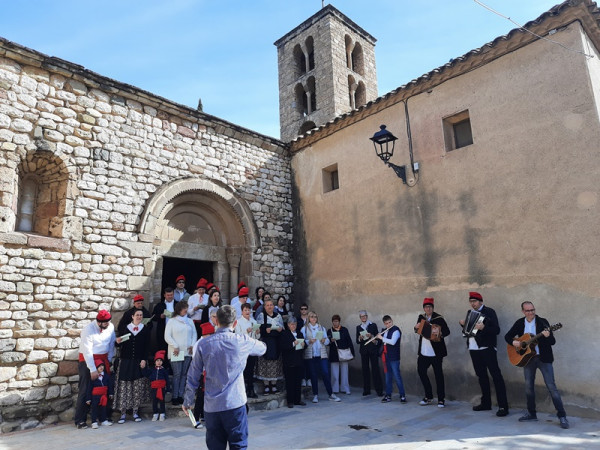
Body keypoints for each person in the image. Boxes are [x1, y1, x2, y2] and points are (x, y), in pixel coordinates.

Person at [183, 305, 267, 450]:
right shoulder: (242, 340)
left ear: (216, 322)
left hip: (212, 406)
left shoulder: (203, 344)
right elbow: (263, 348)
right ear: (235, 323)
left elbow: (193, 374)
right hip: (234, 403)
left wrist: (188, 400)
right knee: (238, 446)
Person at [504, 301, 569, 429]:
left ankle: (562, 416)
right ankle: (531, 414)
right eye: (528, 310)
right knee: (528, 387)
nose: (531, 312)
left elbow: (552, 342)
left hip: (543, 359)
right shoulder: (519, 323)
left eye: (533, 310)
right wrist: (514, 342)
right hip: (528, 359)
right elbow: (507, 336)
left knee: (551, 387)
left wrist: (547, 335)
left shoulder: (542, 322)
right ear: (523, 311)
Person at [460, 291, 509, 417]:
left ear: (480, 301)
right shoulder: (470, 313)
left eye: (474, 301)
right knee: (481, 376)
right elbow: (469, 331)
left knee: (496, 376)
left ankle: (503, 406)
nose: (472, 304)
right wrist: (463, 325)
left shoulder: (489, 312)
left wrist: (484, 328)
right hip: (473, 348)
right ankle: (486, 403)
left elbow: (497, 330)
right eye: (471, 301)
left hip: (487, 347)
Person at [74, 309, 116, 429]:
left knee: (105, 388)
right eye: (105, 323)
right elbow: (87, 351)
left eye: (109, 322)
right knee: (85, 389)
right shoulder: (88, 330)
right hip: (88, 360)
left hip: (103, 359)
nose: (108, 324)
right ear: (99, 322)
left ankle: (104, 416)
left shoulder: (110, 327)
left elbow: (111, 343)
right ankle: (80, 420)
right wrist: (92, 369)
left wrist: (108, 359)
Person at [114, 309, 151, 424]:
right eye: (137, 315)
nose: (139, 317)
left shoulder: (145, 329)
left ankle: (135, 412)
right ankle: (123, 414)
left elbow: (146, 346)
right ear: (132, 316)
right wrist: (117, 342)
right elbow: (118, 343)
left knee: (136, 387)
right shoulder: (126, 328)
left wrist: (144, 359)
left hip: (138, 362)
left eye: (141, 315)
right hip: (125, 361)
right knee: (124, 387)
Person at [302, 311, 341, 403]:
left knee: (325, 373)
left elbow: (327, 341)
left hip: (321, 355)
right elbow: (303, 342)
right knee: (313, 375)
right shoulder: (304, 329)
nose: (314, 318)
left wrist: (324, 340)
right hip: (311, 355)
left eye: (315, 317)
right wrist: (309, 342)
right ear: (308, 318)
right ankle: (315, 395)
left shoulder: (321, 328)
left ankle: (331, 394)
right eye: (311, 317)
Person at [164, 300, 197, 406]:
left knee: (184, 374)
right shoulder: (172, 321)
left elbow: (194, 334)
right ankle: (174, 396)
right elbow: (167, 336)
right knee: (177, 374)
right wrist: (175, 345)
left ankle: (181, 395)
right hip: (176, 351)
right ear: (179, 310)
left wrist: (192, 345)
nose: (186, 310)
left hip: (187, 351)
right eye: (184, 308)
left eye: (187, 308)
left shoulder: (190, 321)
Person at [255, 298, 284, 394]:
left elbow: (282, 328)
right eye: (267, 305)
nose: (269, 307)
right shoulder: (261, 316)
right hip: (266, 342)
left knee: (275, 364)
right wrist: (264, 330)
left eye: (271, 305)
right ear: (264, 307)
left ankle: (274, 385)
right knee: (266, 364)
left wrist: (280, 330)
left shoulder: (278, 316)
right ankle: (266, 385)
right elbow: (258, 329)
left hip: (275, 343)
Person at [375, 315, 406, 403]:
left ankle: (402, 395)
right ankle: (388, 395)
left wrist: (382, 338)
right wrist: (376, 340)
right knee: (388, 377)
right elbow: (382, 343)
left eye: (389, 322)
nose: (388, 325)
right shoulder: (384, 331)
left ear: (392, 321)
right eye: (386, 323)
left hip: (394, 357)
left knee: (397, 376)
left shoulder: (396, 330)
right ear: (384, 324)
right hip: (386, 356)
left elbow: (392, 342)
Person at [234, 302, 260, 398]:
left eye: (249, 310)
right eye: (245, 310)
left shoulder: (253, 321)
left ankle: (251, 389)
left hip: (252, 348)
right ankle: (243, 391)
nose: (247, 312)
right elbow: (237, 335)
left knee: (251, 369)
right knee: (244, 370)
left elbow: (257, 336)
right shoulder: (238, 322)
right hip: (243, 349)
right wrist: (246, 331)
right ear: (242, 312)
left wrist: (257, 332)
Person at [356, 310, 383, 397]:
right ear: (360, 318)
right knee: (365, 370)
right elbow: (357, 341)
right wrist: (360, 338)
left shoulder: (373, 325)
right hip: (364, 351)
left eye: (365, 316)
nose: (363, 317)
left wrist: (371, 336)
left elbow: (377, 339)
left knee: (375, 369)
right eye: (361, 316)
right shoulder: (358, 327)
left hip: (372, 350)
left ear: (367, 316)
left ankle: (379, 390)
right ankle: (366, 389)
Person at [280, 316, 306, 408]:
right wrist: (292, 344)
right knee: (290, 382)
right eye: (291, 324)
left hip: (298, 361)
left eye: (294, 324)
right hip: (289, 362)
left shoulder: (299, 333)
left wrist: (304, 344)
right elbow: (283, 347)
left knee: (298, 382)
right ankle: (290, 401)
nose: (293, 326)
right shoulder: (284, 334)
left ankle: (297, 400)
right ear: (288, 325)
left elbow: (304, 345)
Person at [328, 314, 354, 395]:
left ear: (339, 321)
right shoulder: (330, 331)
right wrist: (330, 340)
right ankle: (334, 388)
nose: (335, 323)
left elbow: (349, 341)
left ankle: (345, 388)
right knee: (334, 373)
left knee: (345, 372)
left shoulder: (344, 330)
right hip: (334, 353)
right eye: (334, 321)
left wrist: (352, 352)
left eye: (336, 321)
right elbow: (327, 342)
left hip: (344, 353)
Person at [142, 350, 170, 422]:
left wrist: (168, 389)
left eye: (160, 360)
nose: (159, 362)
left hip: (162, 387)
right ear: (155, 362)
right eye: (157, 360)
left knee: (161, 400)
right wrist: (143, 368)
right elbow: (146, 374)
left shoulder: (164, 370)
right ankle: (155, 413)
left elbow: (167, 380)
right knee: (154, 400)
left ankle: (162, 413)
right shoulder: (152, 370)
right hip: (154, 387)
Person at [86, 359, 113, 429]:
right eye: (99, 366)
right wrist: (88, 398)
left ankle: (103, 420)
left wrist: (111, 393)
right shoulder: (93, 377)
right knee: (94, 409)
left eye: (102, 366)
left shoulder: (106, 376)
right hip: (95, 396)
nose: (101, 368)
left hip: (103, 396)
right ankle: (94, 422)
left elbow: (110, 385)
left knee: (103, 408)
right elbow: (89, 388)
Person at [152, 287, 177, 352]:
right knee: (162, 348)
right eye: (168, 295)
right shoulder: (159, 305)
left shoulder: (178, 304)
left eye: (171, 295)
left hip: (175, 330)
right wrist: (160, 316)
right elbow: (153, 317)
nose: (170, 297)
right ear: (164, 295)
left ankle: (173, 362)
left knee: (175, 348)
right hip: (162, 330)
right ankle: (162, 362)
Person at [297, 303, 311, 387]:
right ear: (300, 310)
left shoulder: (310, 319)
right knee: (301, 361)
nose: (303, 310)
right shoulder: (298, 320)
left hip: (310, 342)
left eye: (305, 309)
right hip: (301, 342)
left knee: (308, 361)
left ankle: (308, 379)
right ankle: (302, 379)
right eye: (302, 309)